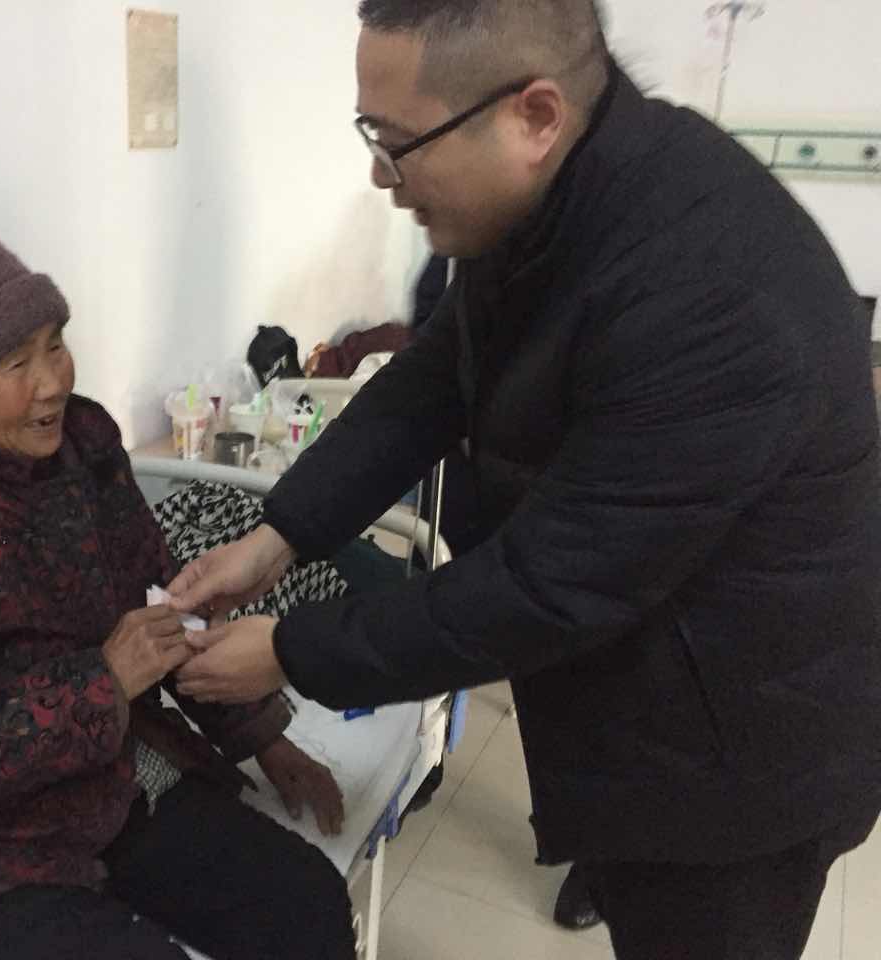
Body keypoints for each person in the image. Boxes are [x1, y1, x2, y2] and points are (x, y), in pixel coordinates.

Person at [169, 2, 881, 957]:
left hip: (739, 760)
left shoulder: (709, 292)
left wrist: (290, 651)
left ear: (533, 116)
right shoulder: (555, 199)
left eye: (398, 143)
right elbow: (433, 377)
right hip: (639, 696)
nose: (381, 176)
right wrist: (279, 534)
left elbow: (552, 586)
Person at [0, 211, 355, 960]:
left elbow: (161, 606)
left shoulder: (83, 444)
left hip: (101, 780)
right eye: (16, 364)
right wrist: (100, 684)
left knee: (308, 907)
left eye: (55, 344)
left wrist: (264, 739)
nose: (53, 383)